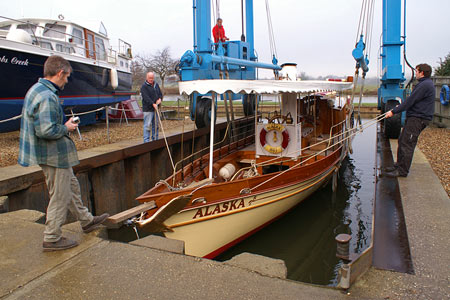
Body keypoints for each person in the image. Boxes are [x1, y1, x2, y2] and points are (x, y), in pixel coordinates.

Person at [18, 55, 109, 252]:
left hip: (50, 154)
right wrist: (66, 127)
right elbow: (46, 130)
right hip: (53, 155)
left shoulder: (36, 89)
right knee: (60, 195)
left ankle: (86, 220)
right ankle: (52, 237)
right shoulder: (48, 96)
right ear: (60, 73)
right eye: (66, 77)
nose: (67, 81)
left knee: (72, 186)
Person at [384, 63, 435, 177]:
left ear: (422, 73)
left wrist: (393, 111)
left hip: (418, 119)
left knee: (407, 144)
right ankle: (398, 165)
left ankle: (402, 171)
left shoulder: (424, 85)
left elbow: (410, 101)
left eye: (416, 71)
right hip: (414, 118)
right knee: (402, 140)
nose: (415, 73)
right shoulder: (424, 84)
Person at [141, 72, 163, 142]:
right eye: (150, 78)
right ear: (147, 78)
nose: (151, 79)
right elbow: (146, 97)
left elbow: (160, 94)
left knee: (156, 126)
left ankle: (155, 140)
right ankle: (146, 141)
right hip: (148, 109)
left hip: (156, 109)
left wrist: (160, 99)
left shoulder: (156, 85)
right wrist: (152, 104)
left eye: (152, 78)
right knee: (147, 126)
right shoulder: (144, 86)